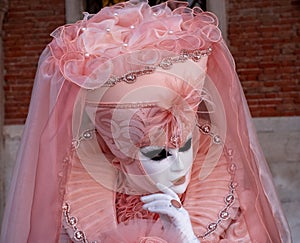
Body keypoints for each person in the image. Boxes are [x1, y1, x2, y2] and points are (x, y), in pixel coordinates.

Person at [0, 1, 291, 242]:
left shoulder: (225, 201)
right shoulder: (77, 204)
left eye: (185, 145)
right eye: (159, 154)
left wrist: (188, 238)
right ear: (121, 156)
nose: (179, 166)